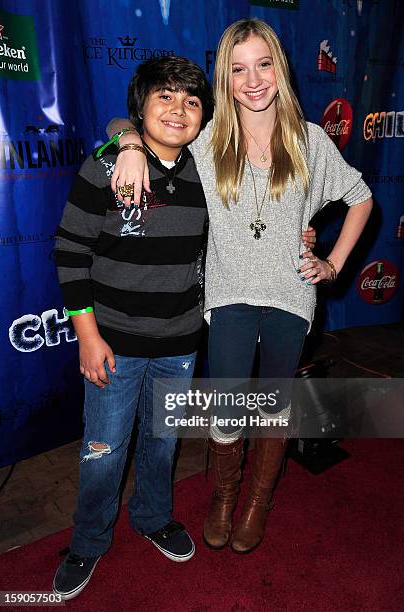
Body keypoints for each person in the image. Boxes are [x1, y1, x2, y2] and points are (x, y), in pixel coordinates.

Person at [107, 18, 372, 556]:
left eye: (263, 64)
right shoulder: (208, 141)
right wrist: (130, 143)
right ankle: (224, 496)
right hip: (227, 296)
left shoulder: (310, 141)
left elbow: (361, 196)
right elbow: (124, 120)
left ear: (280, 67)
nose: (253, 80)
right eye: (237, 69)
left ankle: (256, 502)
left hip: (291, 297)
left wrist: (334, 264)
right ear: (224, 79)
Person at [52, 55, 214, 600]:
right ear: (140, 104)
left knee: (162, 445)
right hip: (113, 344)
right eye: (165, 95)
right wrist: (88, 337)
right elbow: (70, 253)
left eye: (192, 100)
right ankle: (89, 540)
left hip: (181, 344)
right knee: (103, 451)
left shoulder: (208, 172)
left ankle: (152, 517)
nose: (179, 108)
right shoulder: (104, 166)